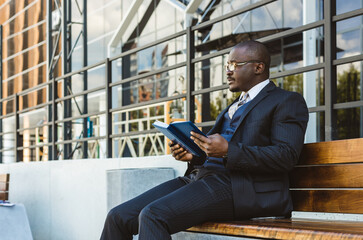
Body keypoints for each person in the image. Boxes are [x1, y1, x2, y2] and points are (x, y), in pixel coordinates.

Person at [100, 40, 309, 240]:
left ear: (258, 67)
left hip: (242, 189)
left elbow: (286, 156)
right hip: (203, 178)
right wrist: (195, 155)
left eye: (235, 65)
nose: (228, 70)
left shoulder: (286, 101)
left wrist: (229, 150)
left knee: (153, 215)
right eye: (228, 65)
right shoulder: (234, 105)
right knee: (118, 217)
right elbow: (217, 153)